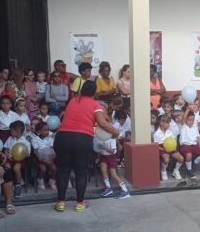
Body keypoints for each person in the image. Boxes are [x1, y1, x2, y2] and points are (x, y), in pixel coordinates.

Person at [53, 81, 119, 212]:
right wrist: (116, 132)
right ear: (95, 92)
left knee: (63, 171)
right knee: (81, 173)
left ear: (82, 90)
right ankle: (79, 203)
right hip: (81, 139)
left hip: (62, 137)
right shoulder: (96, 105)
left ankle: (60, 202)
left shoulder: (72, 101)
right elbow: (102, 123)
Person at [94, 130, 130, 199]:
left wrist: (104, 147)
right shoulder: (99, 138)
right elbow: (97, 148)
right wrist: (98, 157)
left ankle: (125, 190)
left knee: (113, 174)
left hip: (111, 157)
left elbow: (112, 151)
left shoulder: (112, 139)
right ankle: (108, 188)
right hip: (103, 156)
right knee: (103, 170)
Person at [3, 121, 31, 199]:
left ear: (18, 132)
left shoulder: (25, 141)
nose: (10, 132)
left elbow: (28, 154)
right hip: (10, 158)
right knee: (6, 167)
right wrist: (7, 154)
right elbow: (6, 148)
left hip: (20, 160)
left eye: (12, 131)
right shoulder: (10, 139)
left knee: (16, 168)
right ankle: (10, 184)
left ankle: (18, 185)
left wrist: (25, 154)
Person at [154, 114, 184, 181]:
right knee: (166, 159)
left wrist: (173, 147)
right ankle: (163, 171)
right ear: (161, 123)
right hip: (162, 148)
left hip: (171, 148)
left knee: (181, 158)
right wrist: (163, 149)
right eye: (167, 123)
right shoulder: (157, 133)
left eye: (169, 122)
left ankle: (176, 170)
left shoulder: (170, 132)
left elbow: (173, 141)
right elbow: (156, 145)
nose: (169, 124)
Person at [179, 110, 200, 180]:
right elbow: (184, 118)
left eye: (193, 120)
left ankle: (194, 164)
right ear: (186, 120)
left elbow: (198, 137)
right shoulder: (183, 126)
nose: (191, 122)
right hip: (185, 145)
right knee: (189, 155)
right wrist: (188, 108)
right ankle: (189, 170)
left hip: (194, 145)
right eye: (189, 120)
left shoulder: (195, 128)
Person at [31, 122, 57, 190]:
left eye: (48, 130)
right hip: (39, 158)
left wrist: (52, 158)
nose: (47, 131)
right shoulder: (35, 139)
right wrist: (41, 159)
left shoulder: (50, 138)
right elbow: (36, 152)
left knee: (54, 168)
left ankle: (52, 181)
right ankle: (40, 180)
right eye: (45, 130)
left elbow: (52, 150)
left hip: (48, 158)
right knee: (43, 169)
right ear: (39, 131)